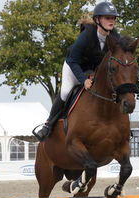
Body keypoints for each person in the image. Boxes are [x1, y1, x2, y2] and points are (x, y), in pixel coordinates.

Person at [33, 1, 120, 141]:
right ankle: (48, 125)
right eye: (107, 18)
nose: (111, 21)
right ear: (98, 20)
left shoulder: (115, 37)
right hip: (74, 66)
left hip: (93, 70)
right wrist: (83, 80)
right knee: (66, 92)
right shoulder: (87, 35)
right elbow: (72, 60)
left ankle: (118, 126)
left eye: (113, 18)